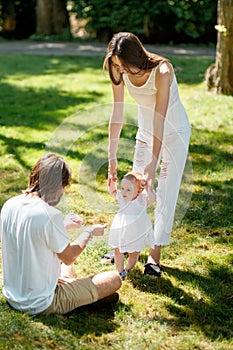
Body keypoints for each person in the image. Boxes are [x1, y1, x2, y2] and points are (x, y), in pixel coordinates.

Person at [103, 32, 191, 277]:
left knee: (164, 191)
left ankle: (155, 254)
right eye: (116, 66)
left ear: (136, 57)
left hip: (173, 132)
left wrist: (153, 164)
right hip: (145, 131)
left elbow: (159, 119)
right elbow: (117, 115)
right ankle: (125, 245)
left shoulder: (162, 71)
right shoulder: (117, 70)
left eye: (123, 65)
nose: (120, 71)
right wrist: (112, 159)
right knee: (134, 190)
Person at [0, 153, 122, 315]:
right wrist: (89, 231)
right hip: (41, 303)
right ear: (58, 186)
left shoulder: (10, 204)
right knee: (114, 279)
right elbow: (69, 256)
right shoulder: (49, 214)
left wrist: (62, 226)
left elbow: (31, 236)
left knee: (67, 268)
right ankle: (79, 295)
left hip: (13, 295)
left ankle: (77, 290)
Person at [108, 172, 155, 278]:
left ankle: (128, 269)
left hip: (136, 230)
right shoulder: (121, 197)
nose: (124, 192)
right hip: (122, 228)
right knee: (118, 249)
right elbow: (112, 191)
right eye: (122, 188)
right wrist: (112, 182)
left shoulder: (142, 200)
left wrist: (147, 187)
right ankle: (120, 271)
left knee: (134, 253)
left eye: (128, 189)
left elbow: (152, 198)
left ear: (139, 190)